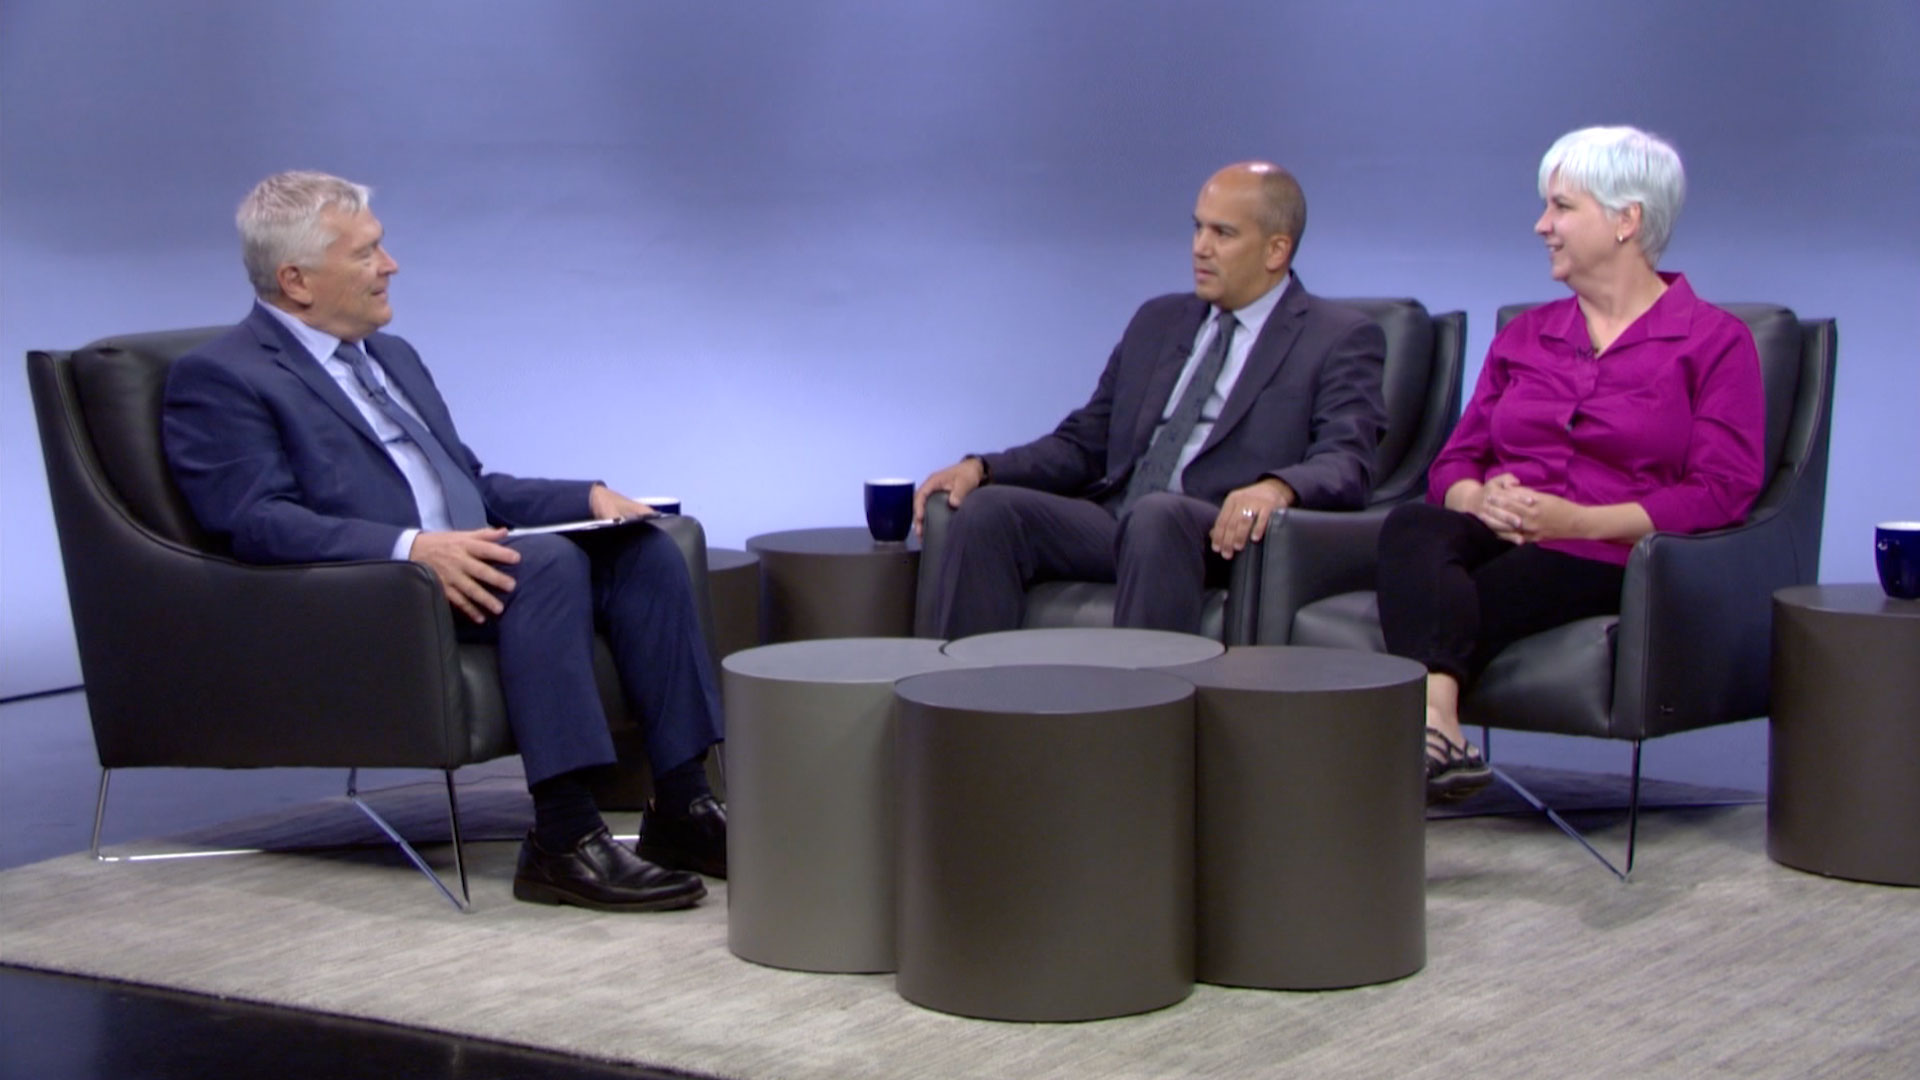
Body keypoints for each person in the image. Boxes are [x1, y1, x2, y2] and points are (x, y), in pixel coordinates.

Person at [163, 171, 726, 911]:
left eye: (382, 247)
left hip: (467, 567)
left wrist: (584, 497)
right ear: (296, 280)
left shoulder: (390, 357)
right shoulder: (221, 377)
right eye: (367, 253)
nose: (389, 265)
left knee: (647, 547)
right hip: (371, 592)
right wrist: (411, 548)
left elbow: (470, 484)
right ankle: (563, 838)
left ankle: (683, 806)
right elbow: (255, 520)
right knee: (546, 562)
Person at [1378, 127, 1766, 803]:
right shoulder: (1526, 334)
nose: (1541, 225)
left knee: (1481, 592)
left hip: (1612, 553)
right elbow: (1456, 458)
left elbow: (1722, 491)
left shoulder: (1714, 342)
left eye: (1560, 207)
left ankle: (1429, 728)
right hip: (1504, 527)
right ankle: (1438, 722)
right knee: (1414, 527)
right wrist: (1476, 497)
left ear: (1626, 220)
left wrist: (1581, 521)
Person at [914, 162, 1388, 637]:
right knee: (990, 511)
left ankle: (1140, 707)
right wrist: (984, 468)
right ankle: (971, 701)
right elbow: (1084, 441)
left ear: (1276, 250)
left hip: (1220, 531)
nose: (1200, 248)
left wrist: (1275, 488)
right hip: (1120, 519)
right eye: (1198, 228)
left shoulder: (1337, 337)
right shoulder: (1158, 320)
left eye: (1223, 233)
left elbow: (1347, 461)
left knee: (1158, 516)